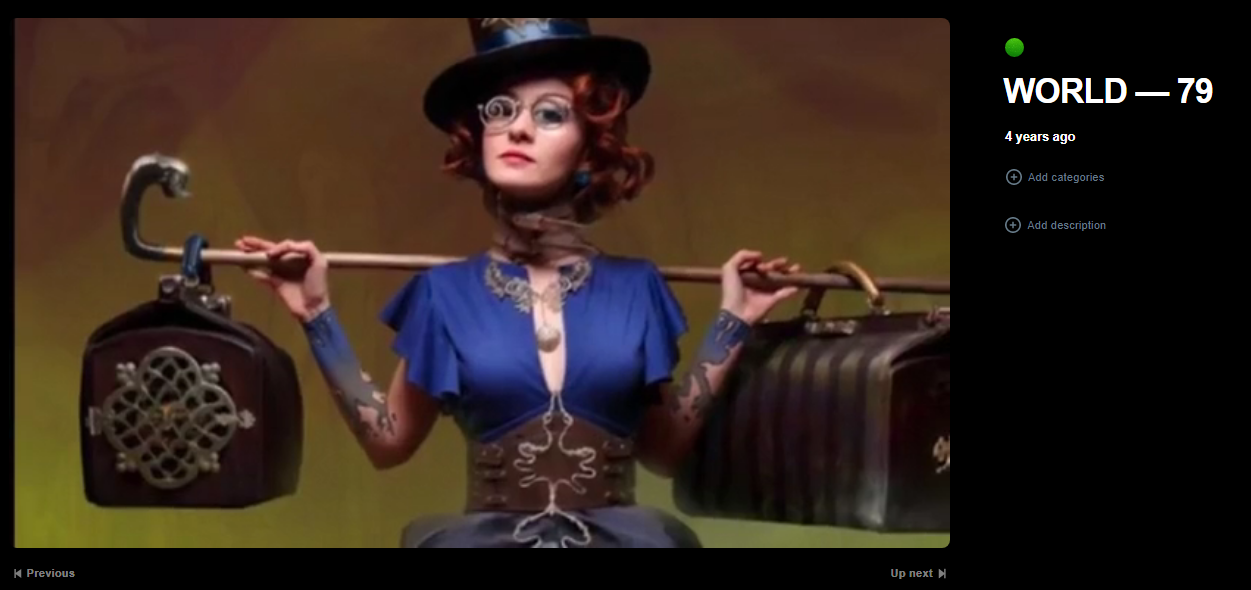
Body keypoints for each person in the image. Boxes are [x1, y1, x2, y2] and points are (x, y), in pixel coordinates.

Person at [235, 18, 800, 548]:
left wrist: (735, 320)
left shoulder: (638, 287)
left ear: (590, 146)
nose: (518, 128)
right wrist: (316, 314)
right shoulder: (443, 294)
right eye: (500, 110)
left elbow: (664, 453)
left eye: (550, 114)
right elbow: (388, 443)